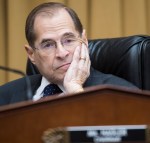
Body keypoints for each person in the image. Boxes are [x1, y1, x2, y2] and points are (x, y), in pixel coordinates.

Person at [0, 2, 137, 106]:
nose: (62, 53)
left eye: (69, 40)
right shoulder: (5, 96)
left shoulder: (121, 94)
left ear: (84, 40)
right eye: (48, 45)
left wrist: (75, 90)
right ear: (31, 54)